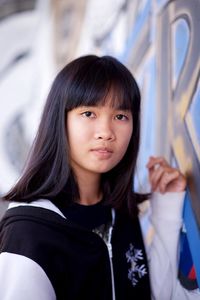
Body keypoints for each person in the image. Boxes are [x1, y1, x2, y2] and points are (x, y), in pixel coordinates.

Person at [0, 55, 197, 299]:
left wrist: (166, 209)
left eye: (120, 116)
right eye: (88, 114)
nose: (106, 132)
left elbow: (150, 293)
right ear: (60, 121)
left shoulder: (117, 210)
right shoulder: (28, 233)